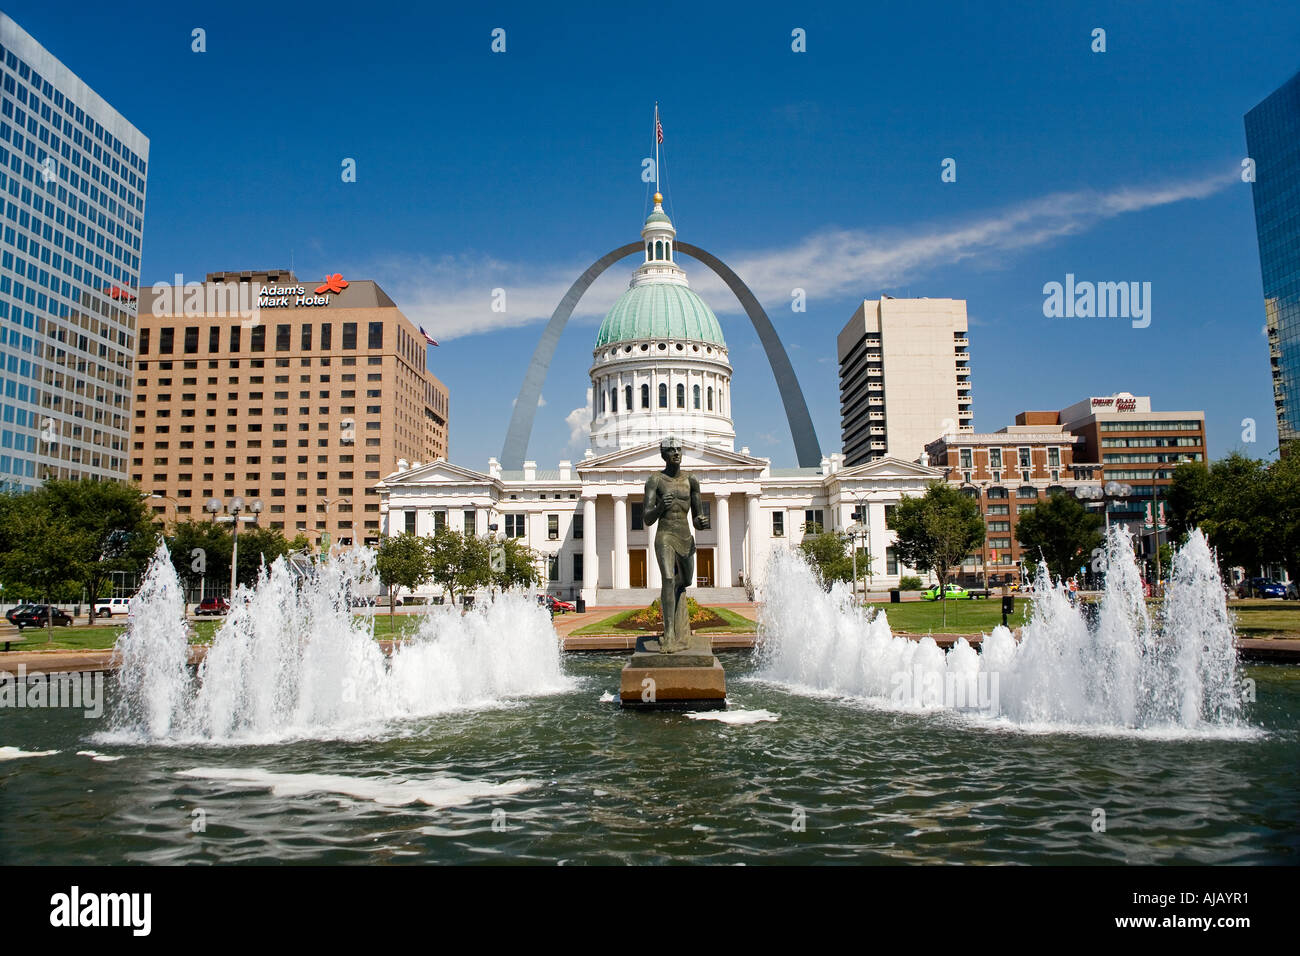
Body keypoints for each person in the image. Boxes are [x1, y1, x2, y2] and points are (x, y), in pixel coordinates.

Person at [643, 436, 709, 653]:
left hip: (685, 536)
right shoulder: (655, 481)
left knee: (685, 581)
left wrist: (701, 522)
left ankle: (680, 628)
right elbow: (647, 518)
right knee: (668, 579)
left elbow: (698, 518)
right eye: (671, 450)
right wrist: (661, 506)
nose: (676, 453)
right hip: (665, 535)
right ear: (663, 454)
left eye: (679, 449)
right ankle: (669, 634)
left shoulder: (692, 481)